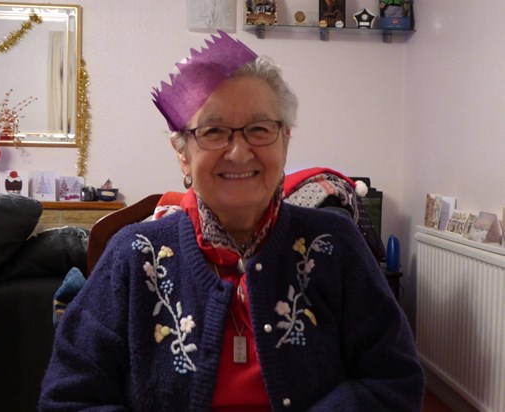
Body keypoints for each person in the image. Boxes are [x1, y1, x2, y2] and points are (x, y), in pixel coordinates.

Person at [39, 30, 424, 411]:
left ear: (285, 141)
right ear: (183, 154)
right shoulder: (134, 254)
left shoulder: (334, 243)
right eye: (214, 131)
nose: (239, 152)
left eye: (260, 129)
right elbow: (69, 397)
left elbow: (394, 380)